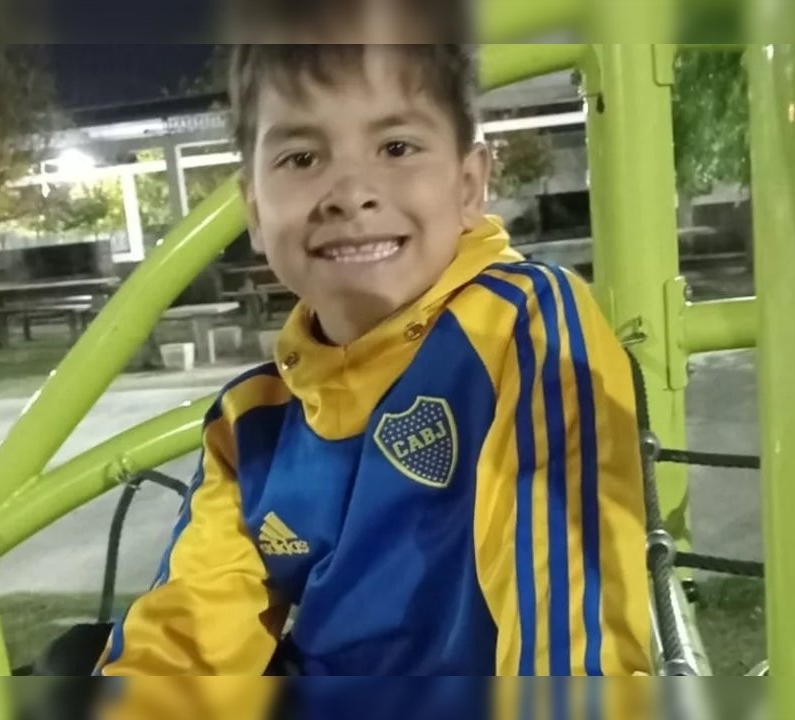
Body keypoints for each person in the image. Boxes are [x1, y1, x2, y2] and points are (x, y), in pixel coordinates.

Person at [96, 1, 651, 715]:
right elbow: (188, 644)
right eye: (302, 158)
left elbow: (570, 603)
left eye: (396, 147)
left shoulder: (522, 325)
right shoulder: (251, 422)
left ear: (468, 185)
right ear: (256, 212)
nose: (352, 194)